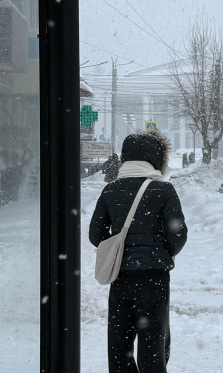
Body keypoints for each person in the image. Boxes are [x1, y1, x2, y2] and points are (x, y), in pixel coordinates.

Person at [89, 130, 187, 373]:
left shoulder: (111, 190)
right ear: (155, 158)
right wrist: (163, 252)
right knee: (152, 345)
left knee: (119, 347)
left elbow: (95, 234)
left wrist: (117, 249)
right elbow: (178, 234)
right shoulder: (163, 191)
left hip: (120, 276)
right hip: (155, 277)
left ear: (125, 158)